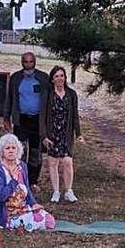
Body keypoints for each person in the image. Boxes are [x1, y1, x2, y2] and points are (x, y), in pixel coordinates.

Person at [0, 133, 55, 232]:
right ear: (1, 152)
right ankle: (15, 224)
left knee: (49, 220)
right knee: (32, 223)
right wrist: (13, 180)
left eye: (13, 148)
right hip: (6, 212)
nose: (11, 150)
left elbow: (26, 188)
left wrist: (33, 204)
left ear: (18, 150)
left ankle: (27, 220)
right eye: (7, 148)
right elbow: (1, 196)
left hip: (22, 208)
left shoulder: (22, 166)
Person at [4, 52, 50, 190]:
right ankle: (20, 180)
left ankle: (33, 181)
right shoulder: (15, 78)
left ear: (35, 62)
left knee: (36, 153)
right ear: (21, 62)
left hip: (38, 121)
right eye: (25, 62)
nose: (28, 64)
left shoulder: (43, 78)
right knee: (21, 152)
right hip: (21, 120)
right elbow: (9, 99)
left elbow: (50, 99)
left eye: (31, 62)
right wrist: (6, 118)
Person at [40, 65, 84, 203]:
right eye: (56, 76)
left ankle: (68, 191)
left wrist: (78, 134)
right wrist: (44, 136)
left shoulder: (71, 94)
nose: (59, 78)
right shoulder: (48, 94)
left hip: (66, 133)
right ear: (52, 79)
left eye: (62, 76)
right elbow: (42, 116)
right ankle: (56, 192)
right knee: (52, 162)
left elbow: (75, 116)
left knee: (67, 162)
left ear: (65, 78)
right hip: (52, 133)